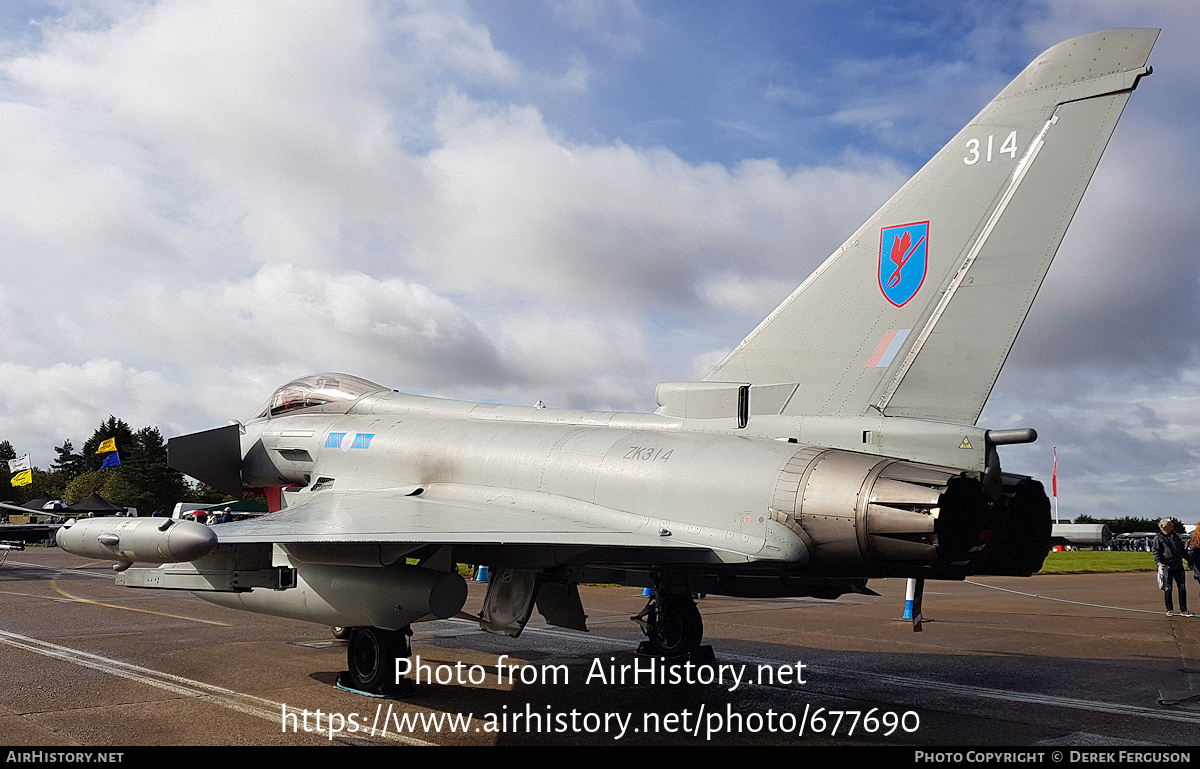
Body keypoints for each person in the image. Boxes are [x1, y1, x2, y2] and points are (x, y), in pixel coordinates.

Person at [1153, 519, 1190, 617]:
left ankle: (1184, 609)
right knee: (1168, 589)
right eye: (1170, 525)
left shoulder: (1176, 536)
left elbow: (1182, 551)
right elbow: (1156, 552)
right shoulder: (1158, 538)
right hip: (1167, 567)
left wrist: (1190, 561)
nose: (1172, 526)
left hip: (1178, 566)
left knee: (1182, 588)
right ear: (1165, 527)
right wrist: (1159, 563)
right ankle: (1169, 609)